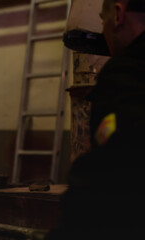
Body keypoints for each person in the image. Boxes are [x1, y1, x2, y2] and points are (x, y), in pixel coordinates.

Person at [45, 0, 145, 239]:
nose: (103, 32)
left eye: (103, 20)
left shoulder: (126, 74)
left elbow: (106, 167)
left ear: (118, 15)